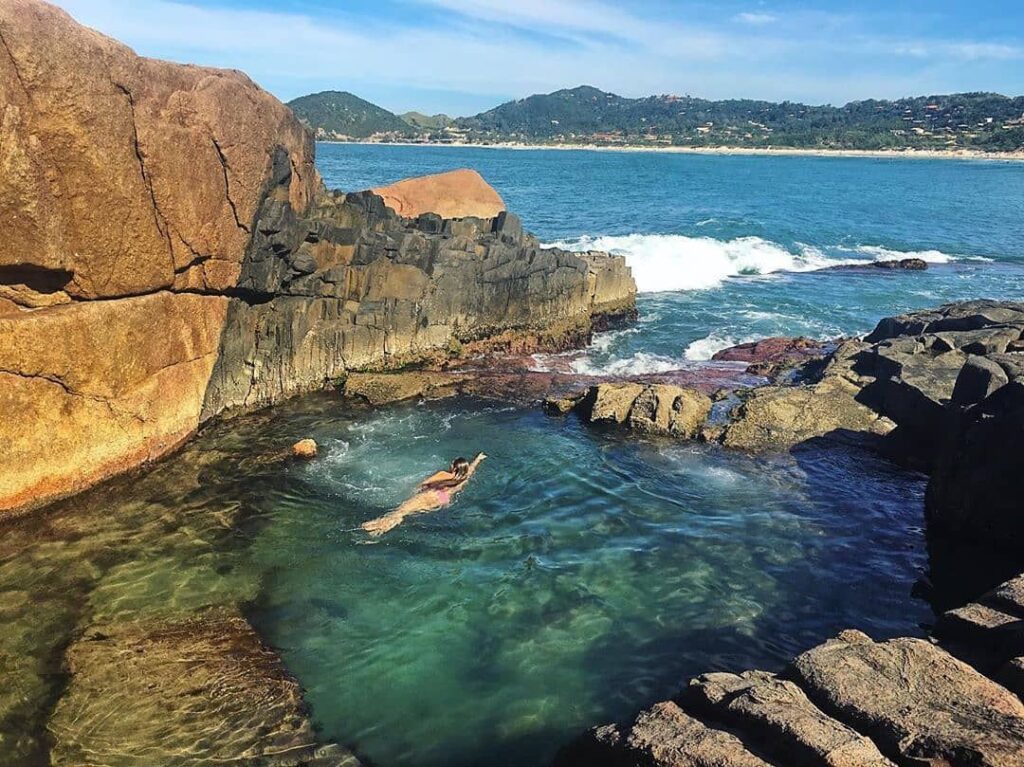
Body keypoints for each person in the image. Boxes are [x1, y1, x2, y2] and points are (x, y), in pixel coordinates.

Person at [361, 453, 487, 536]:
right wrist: (477, 460)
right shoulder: (464, 478)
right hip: (444, 498)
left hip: (432, 494)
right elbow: (471, 470)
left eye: (452, 464)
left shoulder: (445, 474)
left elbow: (425, 483)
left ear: (454, 468)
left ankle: (379, 528)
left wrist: (416, 491)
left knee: (401, 511)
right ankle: (380, 528)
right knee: (411, 513)